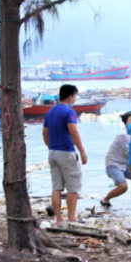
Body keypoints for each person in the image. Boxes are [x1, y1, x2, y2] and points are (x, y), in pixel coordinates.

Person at [42, 84, 87, 225]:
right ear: (70, 96)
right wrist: (82, 151)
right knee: (73, 187)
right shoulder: (69, 112)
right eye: (75, 96)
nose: (75, 99)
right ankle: (72, 218)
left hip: (53, 152)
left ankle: (59, 219)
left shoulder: (50, 111)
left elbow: (45, 133)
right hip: (66, 152)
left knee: (56, 187)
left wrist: (51, 147)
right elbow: (73, 132)